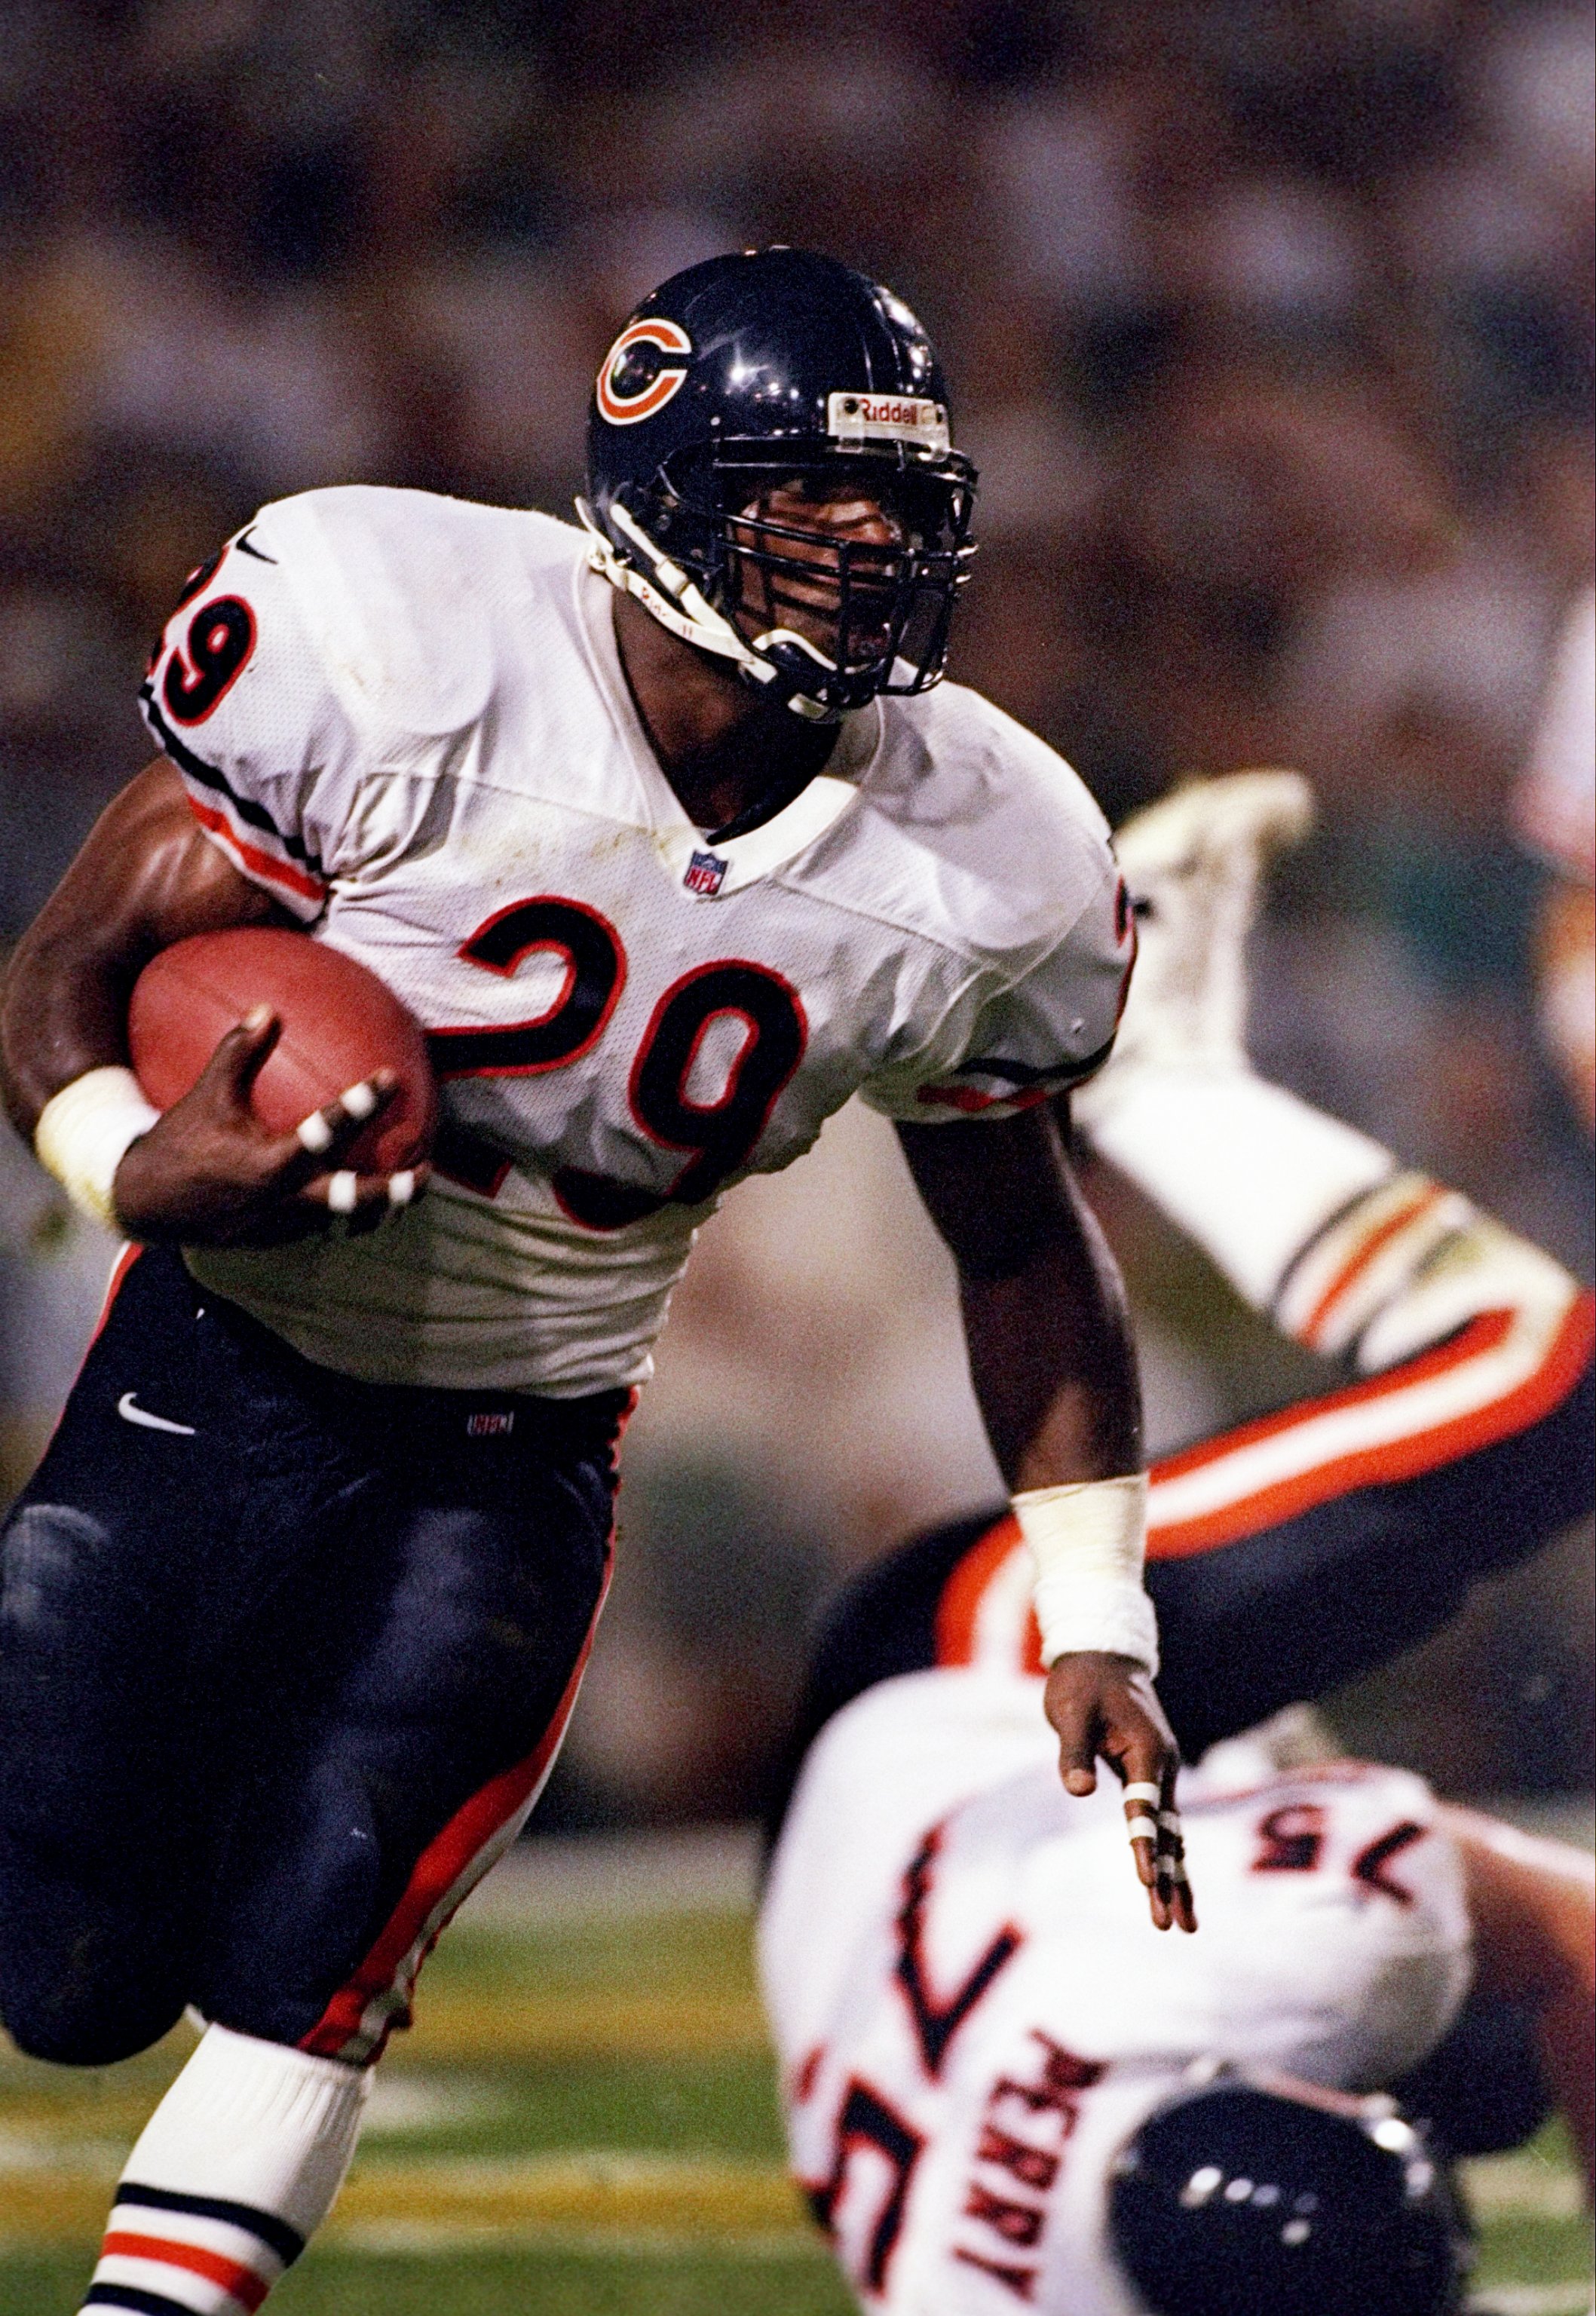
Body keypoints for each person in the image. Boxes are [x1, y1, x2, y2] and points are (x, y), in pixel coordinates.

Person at [0, 248, 1188, 2316]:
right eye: (816, 504)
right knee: (68, 1977)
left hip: (517, 1455)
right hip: (216, 1378)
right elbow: (64, 977)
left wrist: (1095, 1610)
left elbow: (1017, 1233)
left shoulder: (988, 847)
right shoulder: (403, 644)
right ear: (659, 492)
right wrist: (133, 1158)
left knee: (327, 1948)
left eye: (903, 508)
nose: (872, 554)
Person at [761, 773, 1594, 2314]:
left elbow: (1567, 1930)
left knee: (1550, 1388)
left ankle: (1161, 1091)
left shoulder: (1289, 1955)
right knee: (1486, 2082)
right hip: (904, 1879)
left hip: (987, 1678)